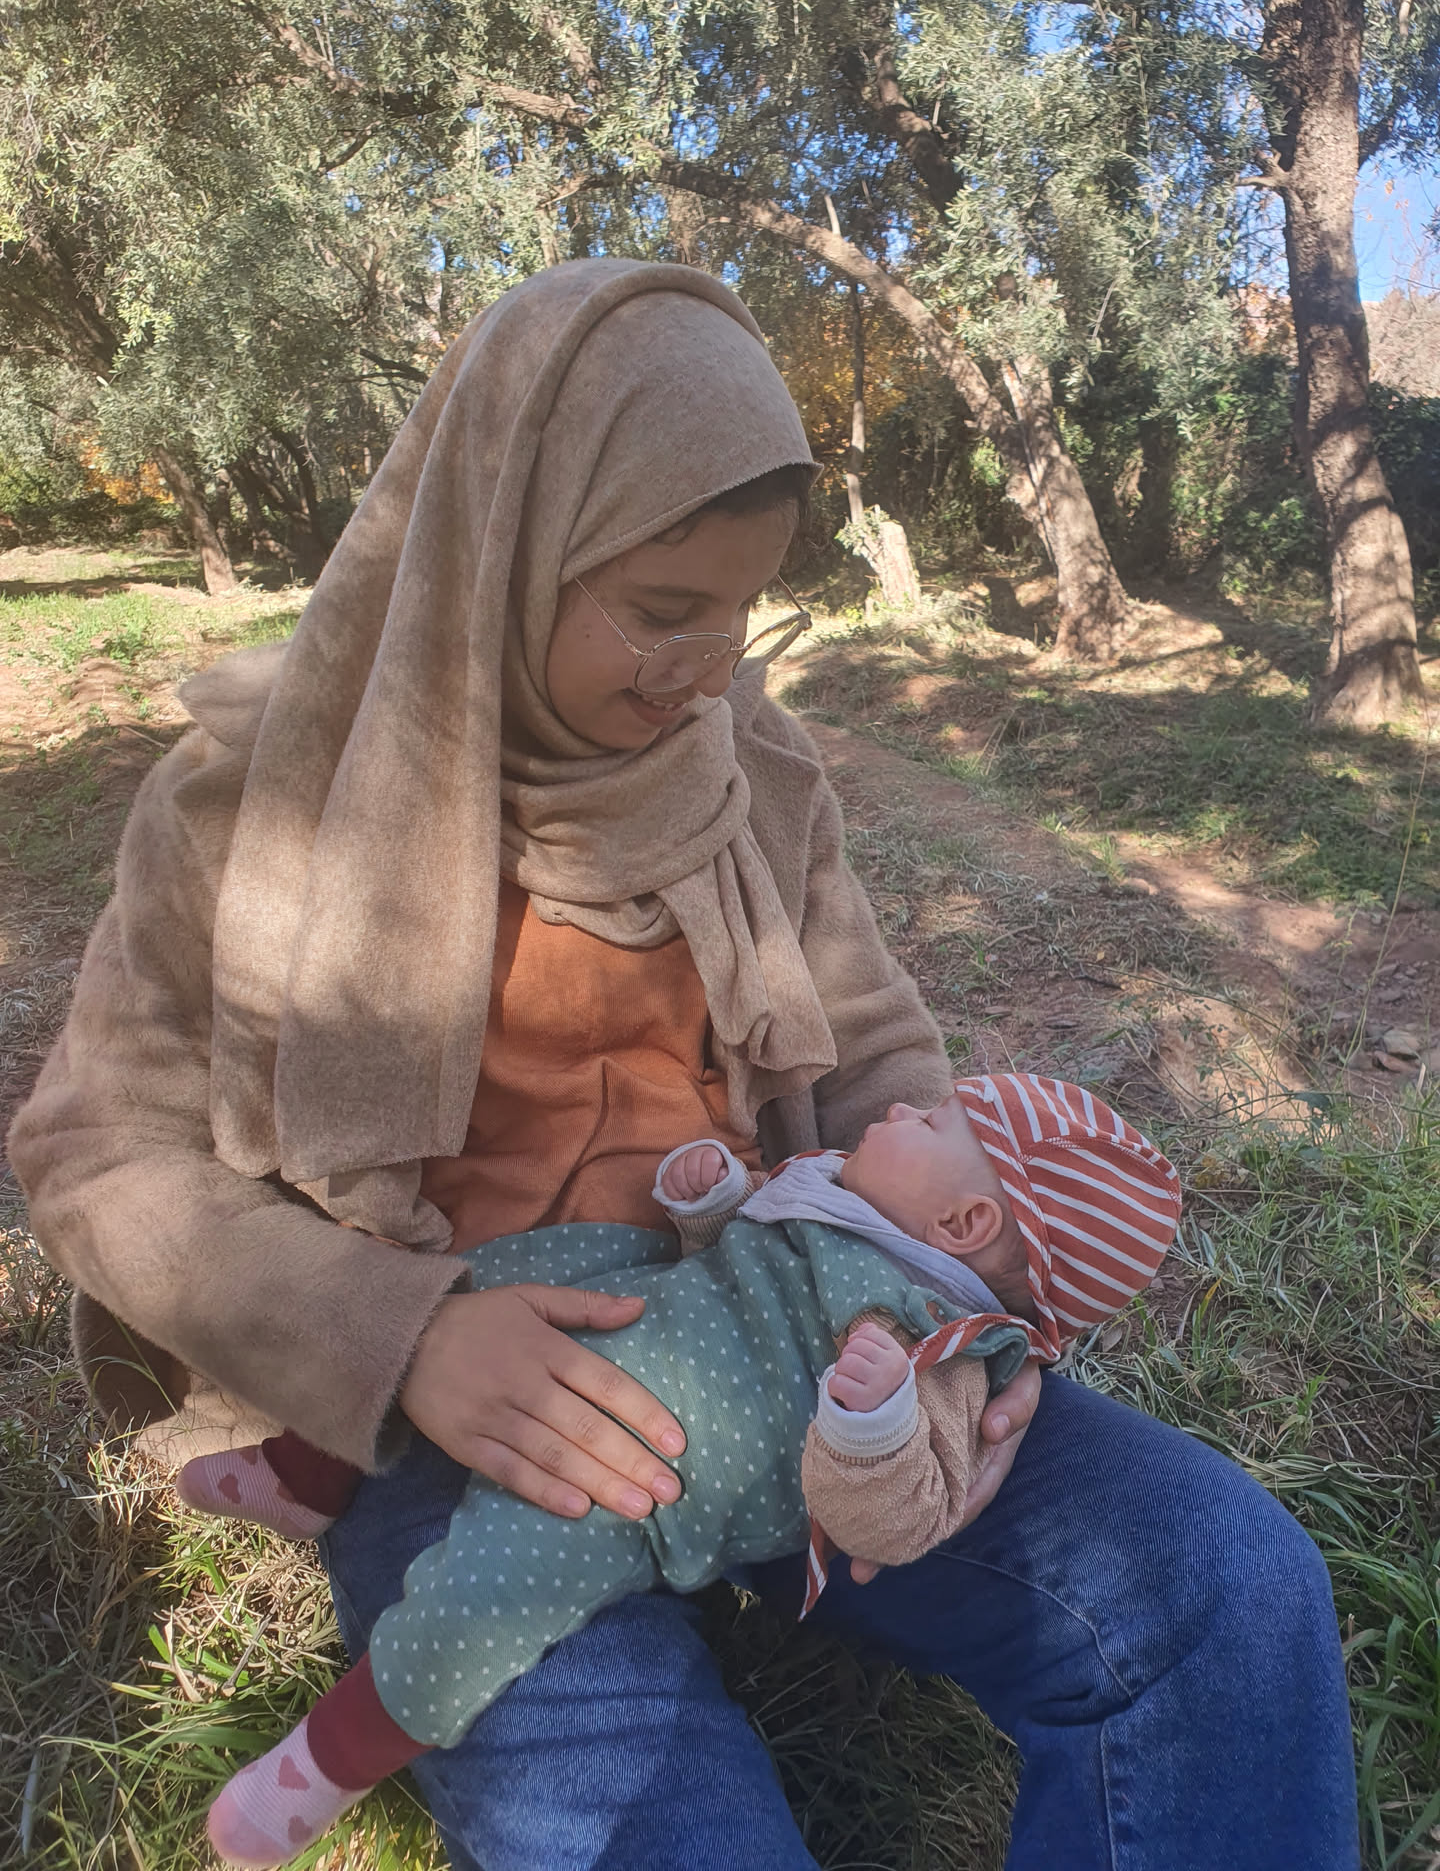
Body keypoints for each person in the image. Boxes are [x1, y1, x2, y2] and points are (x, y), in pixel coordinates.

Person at [7, 259, 1360, 1871]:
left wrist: (965, 1330)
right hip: (474, 1440)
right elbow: (99, 1155)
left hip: (800, 1353)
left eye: (743, 608)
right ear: (501, 545)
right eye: (659, 609)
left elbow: (874, 1054)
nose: (709, 665)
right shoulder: (250, 809)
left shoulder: (756, 777)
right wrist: (403, 1337)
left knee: (1223, 1584)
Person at [189, 1071, 1181, 1869]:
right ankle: (306, 1474)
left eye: (933, 1121)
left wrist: (872, 1427)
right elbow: (747, 1261)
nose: (901, 1107)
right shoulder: (852, 1200)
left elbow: (896, 1522)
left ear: (964, 1225)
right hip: (636, 1302)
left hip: (638, 1470)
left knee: (484, 1600)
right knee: (432, 1305)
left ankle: (325, 1763)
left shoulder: (941, 1357)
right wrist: (713, 1206)